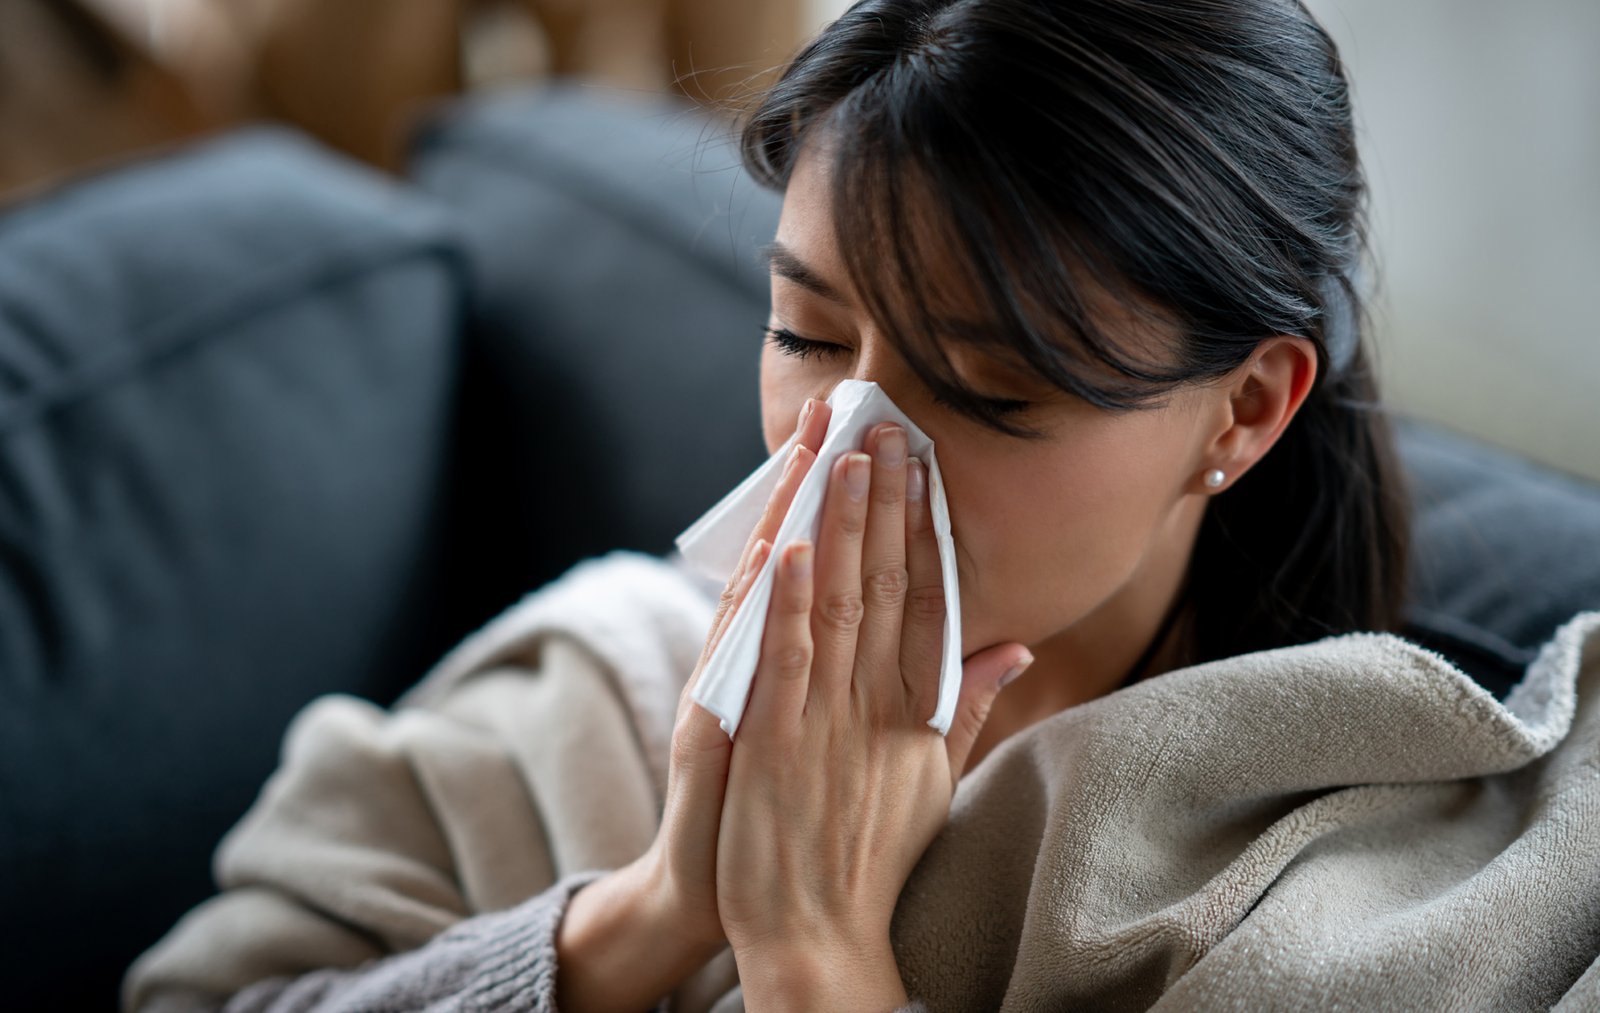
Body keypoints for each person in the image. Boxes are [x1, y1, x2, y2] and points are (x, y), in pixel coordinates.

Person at [123, 0, 1414, 1009]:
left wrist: (814, 954)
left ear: (1244, 410)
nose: (844, 443)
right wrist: (645, 916)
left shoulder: (1343, 882)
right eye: (805, 332)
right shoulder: (612, 674)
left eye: (984, 388)